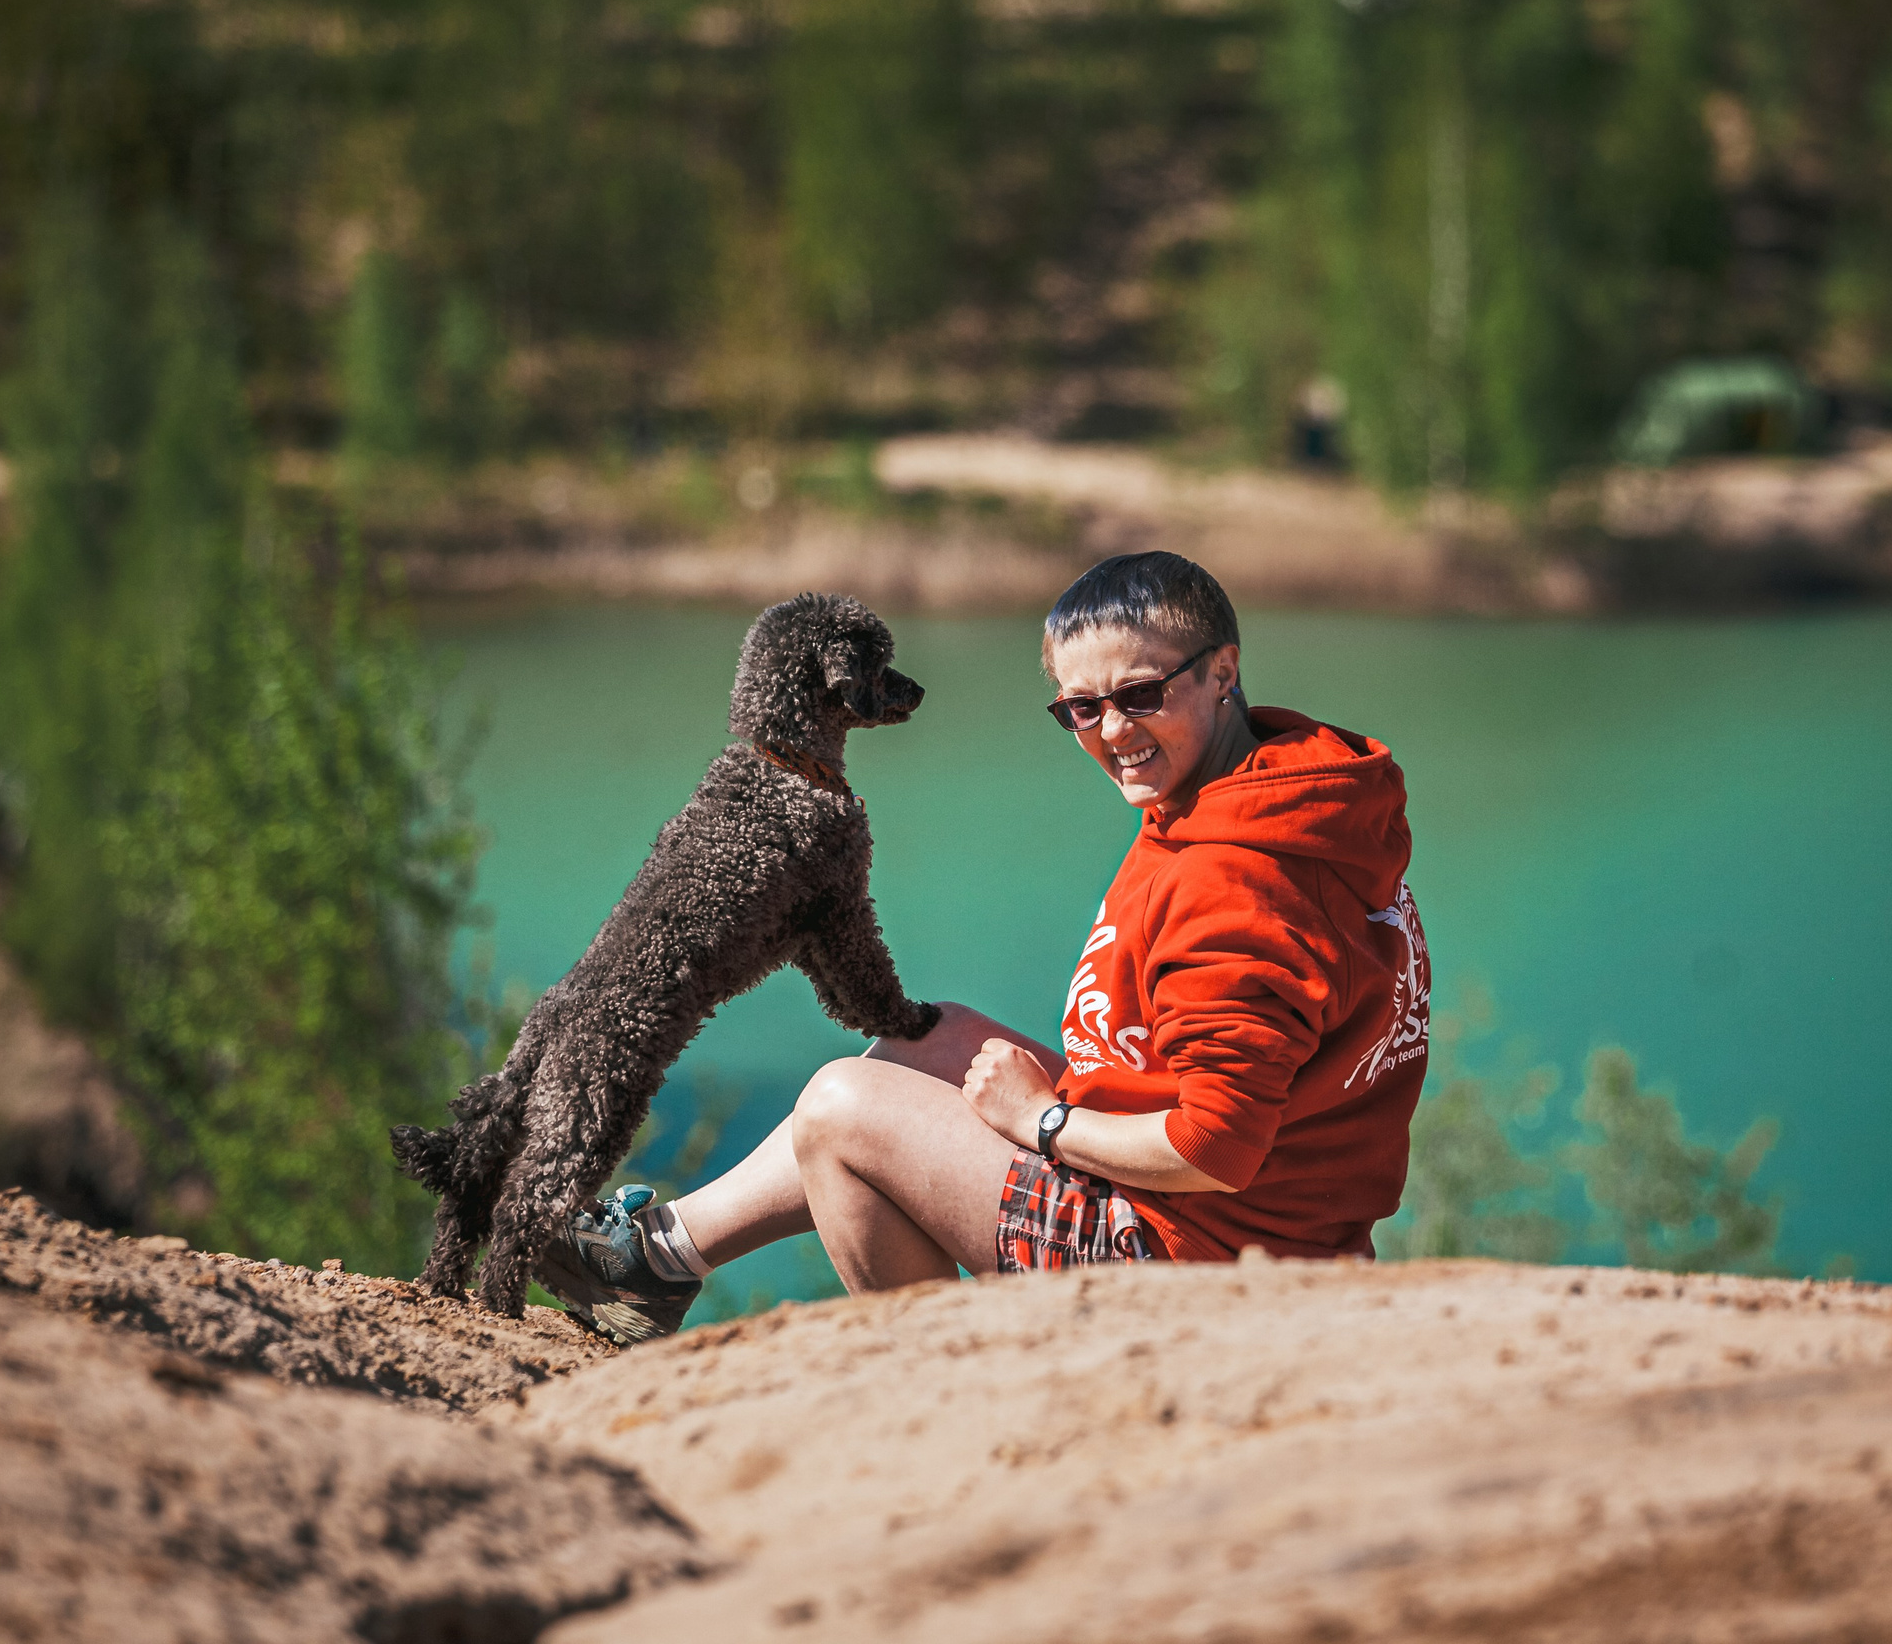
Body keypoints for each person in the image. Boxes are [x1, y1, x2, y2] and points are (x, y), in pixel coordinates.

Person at [539, 551, 1431, 1343]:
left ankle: (950, 1397)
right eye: (1080, 708)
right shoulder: (1285, 796)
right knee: (933, 1038)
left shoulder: (1235, 882)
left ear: (1222, 671)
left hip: (1193, 1261)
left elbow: (1213, 1150)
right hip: (1270, 1224)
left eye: (1140, 695)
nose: (1113, 732)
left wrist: (1039, 1122)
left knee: (841, 1112)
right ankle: (659, 1259)